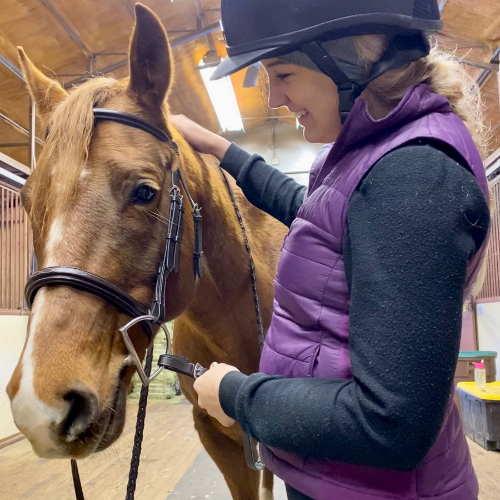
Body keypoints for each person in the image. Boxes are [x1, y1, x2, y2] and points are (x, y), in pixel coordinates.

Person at [171, 1, 491, 499]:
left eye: (283, 73)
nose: (274, 97)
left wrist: (237, 395)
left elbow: (391, 424)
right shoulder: (371, 156)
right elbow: (320, 216)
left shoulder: (413, 177)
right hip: (340, 479)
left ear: (351, 60)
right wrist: (224, 152)